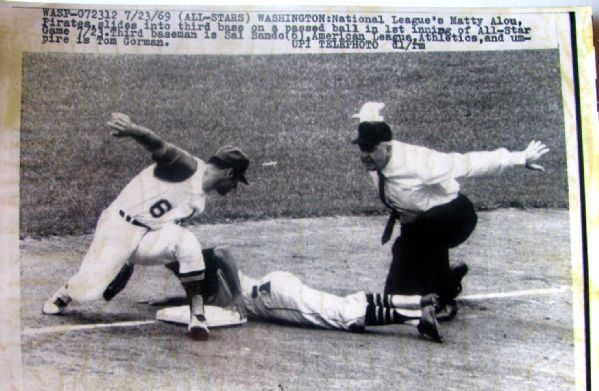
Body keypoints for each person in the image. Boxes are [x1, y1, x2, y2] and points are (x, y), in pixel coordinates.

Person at [42, 113, 251, 341]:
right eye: (236, 181)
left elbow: (172, 245)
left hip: (147, 237)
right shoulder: (187, 167)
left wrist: (183, 271)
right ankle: (65, 293)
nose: (234, 188)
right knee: (90, 290)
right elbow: (158, 144)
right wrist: (131, 129)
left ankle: (197, 316)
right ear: (230, 172)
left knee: (187, 242)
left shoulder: (198, 203)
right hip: (118, 227)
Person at [351, 102, 549, 317]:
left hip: (454, 217)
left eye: (370, 149)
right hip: (421, 222)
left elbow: (468, 164)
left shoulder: (419, 163)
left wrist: (518, 158)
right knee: (396, 296)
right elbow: (370, 124)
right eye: (362, 148)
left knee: (424, 238)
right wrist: (367, 114)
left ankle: (444, 300)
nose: (365, 156)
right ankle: (449, 278)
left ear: (388, 147)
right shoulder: (375, 160)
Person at [154, 247, 445, 343]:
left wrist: (238, 298)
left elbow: (223, 253)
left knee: (341, 316)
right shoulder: (189, 268)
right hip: (274, 286)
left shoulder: (192, 258)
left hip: (269, 299)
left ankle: (417, 317)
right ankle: (416, 303)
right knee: (338, 304)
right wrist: (172, 302)